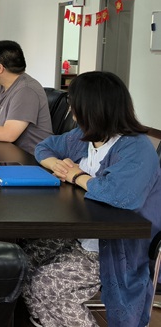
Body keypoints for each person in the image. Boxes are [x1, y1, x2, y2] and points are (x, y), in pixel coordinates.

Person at [20, 71, 161, 327]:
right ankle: (46, 319)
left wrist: (76, 176)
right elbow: (44, 147)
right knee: (21, 261)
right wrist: (58, 165)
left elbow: (119, 195)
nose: (71, 111)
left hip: (114, 248)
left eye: (74, 105)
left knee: (45, 283)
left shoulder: (135, 148)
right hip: (80, 233)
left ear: (92, 109)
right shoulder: (85, 136)